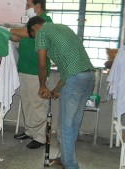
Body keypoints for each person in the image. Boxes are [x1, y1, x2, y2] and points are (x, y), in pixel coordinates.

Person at [27, 16, 95, 169]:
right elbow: (69, 67)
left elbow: (42, 63)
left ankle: (71, 165)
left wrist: (42, 86)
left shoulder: (42, 32)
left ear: (35, 28)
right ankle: (65, 159)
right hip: (89, 77)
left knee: (65, 127)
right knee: (74, 123)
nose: (36, 38)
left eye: (33, 35)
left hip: (74, 79)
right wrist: (56, 90)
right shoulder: (64, 28)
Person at [10, 0, 52, 149]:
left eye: (28, 6)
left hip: (37, 72)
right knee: (27, 103)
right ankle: (30, 131)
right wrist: (2, 33)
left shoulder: (44, 22)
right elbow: (19, 37)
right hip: (24, 69)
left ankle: (40, 137)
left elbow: (26, 33)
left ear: (38, 6)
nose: (26, 8)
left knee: (38, 105)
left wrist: (8, 29)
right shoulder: (31, 22)